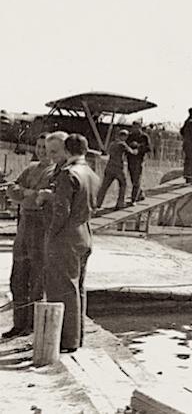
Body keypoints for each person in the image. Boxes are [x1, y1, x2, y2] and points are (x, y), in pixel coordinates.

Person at [42, 132, 96, 353]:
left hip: (66, 237)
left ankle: (66, 341)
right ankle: (77, 338)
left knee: (62, 290)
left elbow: (61, 211)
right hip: (85, 233)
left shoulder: (68, 174)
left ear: (67, 150)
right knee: (77, 289)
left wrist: (50, 235)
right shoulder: (91, 173)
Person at [3, 134, 54, 339]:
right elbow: (12, 191)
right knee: (18, 276)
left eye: (47, 148)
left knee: (37, 278)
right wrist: (26, 193)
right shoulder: (31, 168)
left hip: (41, 227)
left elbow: (41, 200)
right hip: (24, 225)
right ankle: (19, 323)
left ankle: (32, 325)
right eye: (39, 146)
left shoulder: (55, 172)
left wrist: (27, 194)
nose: (42, 151)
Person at [95, 130, 137, 210]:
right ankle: (120, 203)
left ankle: (97, 203)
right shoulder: (122, 144)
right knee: (123, 184)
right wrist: (135, 149)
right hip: (118, 168)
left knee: (104, 186)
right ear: (124, 136)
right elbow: (131, 152)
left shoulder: (112, 144)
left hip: (109, 167)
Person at [126, 120, 152, 204]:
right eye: (133, 127)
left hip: (139, 160)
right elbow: (125, 146)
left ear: (140, 127)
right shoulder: (129, 136)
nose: (135, 129)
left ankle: (134, 199)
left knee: (137, 179)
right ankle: (140, 194)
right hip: (130, 160)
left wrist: (139, 147)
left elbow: (148, 148)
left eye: (137, 127)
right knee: (133, 179)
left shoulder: (144, 137)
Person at [180, 107, 192, 184]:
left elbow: (181, 131)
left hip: (186, 146)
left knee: (188, 162)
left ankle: (188, 178)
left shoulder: (186, 122)